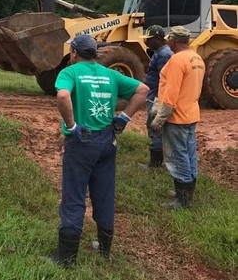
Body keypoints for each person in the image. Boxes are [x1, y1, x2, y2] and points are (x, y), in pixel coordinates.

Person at [49, 34, 148, 267]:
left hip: (82, 141)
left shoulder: (70, 73)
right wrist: (123, 117)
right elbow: (143, 89)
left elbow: (63, 95)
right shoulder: (110, 74)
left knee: (74, 196)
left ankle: (66, 258)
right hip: (107, 141)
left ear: (74, 52)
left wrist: (71, 125)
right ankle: (104, 249)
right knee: (104, 194)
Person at [151, 26, 205, 209]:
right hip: (191, 113)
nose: (167, 42)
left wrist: (159, 118)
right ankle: (187, 191)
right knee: (189, 153)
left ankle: (182, 200)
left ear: (173, 40)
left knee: (177, 156)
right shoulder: (196, 58)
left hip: (177, 117)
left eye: (169, 39)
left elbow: (171, 94)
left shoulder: (176, 60)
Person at [139, 25, 173, 168]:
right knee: (154, 127)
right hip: (153, 94)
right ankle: (159, 161)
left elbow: (164, 80)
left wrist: (158, 101)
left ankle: (156, 163)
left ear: (158, 39)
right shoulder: (160, 52)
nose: (146, 42)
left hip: (156, 96)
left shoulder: (164, 55)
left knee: (155, 127)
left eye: (149, 39)